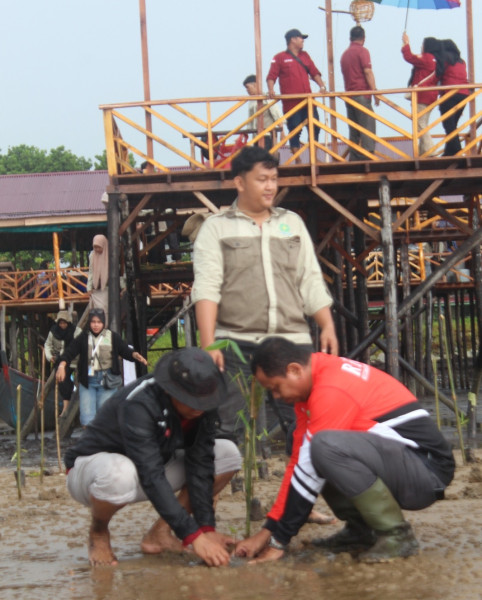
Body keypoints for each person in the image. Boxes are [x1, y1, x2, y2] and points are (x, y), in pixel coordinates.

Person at [235, 337, 455, 564]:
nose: (277, 397)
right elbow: (299, 464)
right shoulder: (315, 378)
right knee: (302, 440)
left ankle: (396, 535)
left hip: (427, 473)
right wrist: (268, 530)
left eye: (275, 388)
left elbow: (308, 469)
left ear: (294, 370)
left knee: (324, 446)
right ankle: (361, 531)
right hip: (403, 462)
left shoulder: (331, 388)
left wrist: (278, 541)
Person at [192, 145, 338, 446]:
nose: (270, 186)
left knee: (302, 427)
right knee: (227, 430)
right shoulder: (216, 228)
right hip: (234, 342)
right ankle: (236, 487)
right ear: (240, 182)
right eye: (262, 179)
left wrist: (327, 325)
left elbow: (309, 278)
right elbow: (207, 288)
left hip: (291, 342)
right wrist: (209, 344)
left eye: (273, 178)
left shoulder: (292, 223)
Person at [64, 347, 242, 567]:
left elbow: (201, 463)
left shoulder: (204, 405)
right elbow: (151, 474)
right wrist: (192, 536)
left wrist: (206, 529)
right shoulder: (139, 403)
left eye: (204, 402)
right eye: (192, 400)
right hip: (93, 473)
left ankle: (160, 533)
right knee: (120, 472)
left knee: (226, 453)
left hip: (147, 470)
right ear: (171, 390)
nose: (200, 408)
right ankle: (99, 532)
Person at [56, 308, 147, 426]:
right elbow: (69, 352)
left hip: (107, 380)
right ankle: (91, 441)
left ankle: (103, 442)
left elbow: (124, 350)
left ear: (103, 323)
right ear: (89, 323)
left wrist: (134, 354)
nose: (96, 325)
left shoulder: (112, 337)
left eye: (99, 322)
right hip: (87, 381)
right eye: (93, 322)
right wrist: (62, 365)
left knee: (104, 415)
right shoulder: (83, 337)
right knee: (87, 417)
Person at [266, 28, 327, 162]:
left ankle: (313, 157)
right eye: (300, 38)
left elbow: (314, 72)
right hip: (291, 102)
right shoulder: (279, 58)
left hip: (308, 101)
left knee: (315, 127)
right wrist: (271, 90)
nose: (303, 40)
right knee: (294, 130)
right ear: (292, 39)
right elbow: (271, 76)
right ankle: (297, 159)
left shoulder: (305, 56)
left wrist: (322, 86)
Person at [340, 26, 379, 161]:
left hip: (349, 95)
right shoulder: (362, 51)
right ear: (364, 38)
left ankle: (355, 156)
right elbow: (367, 71)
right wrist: (375, 92)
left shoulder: (345, 55)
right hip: (362, 94)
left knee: (354, 128)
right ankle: (368, 154)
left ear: (350, 38)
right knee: (368, 125)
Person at [401, 34, 439, 155]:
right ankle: (423, 153)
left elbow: (409, 57)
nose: (421, 47)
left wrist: (406, 43)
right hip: (431, 97)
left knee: (420, 126)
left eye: (423, 45)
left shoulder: (426, 58)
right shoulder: (436, 60)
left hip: (422, 96)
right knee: (423, 125)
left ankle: (430, 152)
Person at [436, 39, 469, 156]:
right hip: (464, 96)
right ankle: (449, 152)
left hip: (449, 95)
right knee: (452, 125)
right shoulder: (462, 62)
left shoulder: (445, 59)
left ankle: (458, 151)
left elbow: (438, 76)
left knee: (449, 125)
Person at [44, 310, 80, 417]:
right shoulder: (53, 331)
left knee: (80, 380)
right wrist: (50, 357)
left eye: (64, 323)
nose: (62, 325)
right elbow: (47, 345)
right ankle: (66, 407)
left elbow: (82, 344)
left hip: (75, 360)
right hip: (59, 361)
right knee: (62, 381)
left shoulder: (76, 331)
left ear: (68, 322)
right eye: (60, 323)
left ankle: (71, 407)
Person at [243, 74, 282, 152]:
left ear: (255, 85)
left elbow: (276, 114)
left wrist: (282, 132)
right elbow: (250, 120)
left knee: (266, 157)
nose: (247, 90)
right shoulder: (251, 101)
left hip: (267, 135)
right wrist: (246, 133)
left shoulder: (266, 98)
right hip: (256, 136)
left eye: (248, 87)